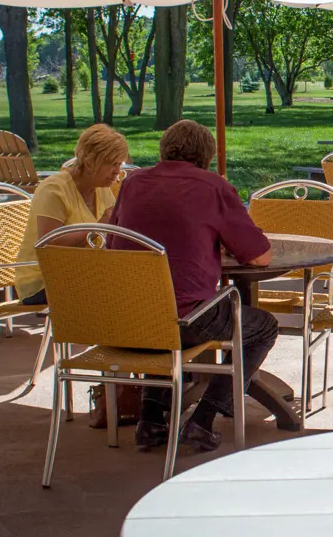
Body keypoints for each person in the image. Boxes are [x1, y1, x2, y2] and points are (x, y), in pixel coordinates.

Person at [111, 120, 276, 452]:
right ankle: (203, 419)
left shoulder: (132, 183)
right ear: (207, 155)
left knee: (160, 310)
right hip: (186, 320)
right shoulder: (212, 187)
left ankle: (151, 420)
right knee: (262, 327)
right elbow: (260, 256)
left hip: (127, 317)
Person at [14, 124, 129, 306]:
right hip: (43, 282)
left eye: (119, 164)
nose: (117, 171)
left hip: (83, 275)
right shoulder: (54, 189)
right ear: (90, 162)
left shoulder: (101, 190)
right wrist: (99, 226)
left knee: (140, 281)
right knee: (121, 291)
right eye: (112, 164)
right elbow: (49, 244)